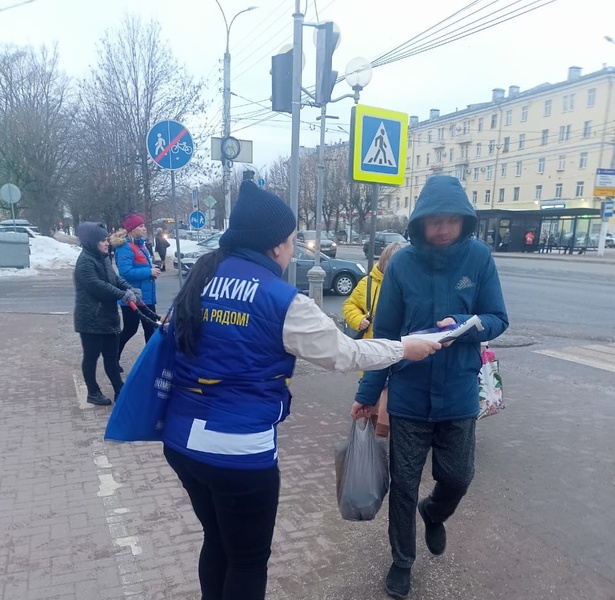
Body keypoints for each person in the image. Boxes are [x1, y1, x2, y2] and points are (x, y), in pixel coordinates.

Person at [161, 181, 442, 600]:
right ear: (276, 246)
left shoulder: (202, 278)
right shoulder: (281, 300)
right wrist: (405, 347)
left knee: (217, 540)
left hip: (181, 441)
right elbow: (343, 354)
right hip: (238, 452)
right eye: (292, 240)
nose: (293, 248)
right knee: (248, 559)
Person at [351, 175, 509, 600]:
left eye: (451, 220)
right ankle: (402, 561)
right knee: (403, 485)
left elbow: (497, 317)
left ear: (463, 222)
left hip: (458, 393)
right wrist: (367, 396)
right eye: (434, 220)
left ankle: (434, 512)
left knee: (458, 476)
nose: (442, 228)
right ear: (420, 223)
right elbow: (383, 337)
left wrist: (466, 326)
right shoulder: (402, 265)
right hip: (409, 396)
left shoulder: (478, 259)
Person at [342, 241, 405, 437]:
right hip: (375, 348)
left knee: (391, 393)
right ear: (386, 261)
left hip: (403, 350)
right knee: (376, 393)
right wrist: (359, 319)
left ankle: (383, 433)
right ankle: (376, 434)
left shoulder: (411, 284)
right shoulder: (368, 283)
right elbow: (349, 305)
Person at [73, 222, 139, 405]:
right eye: (102, 240)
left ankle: (120, 389)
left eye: (106, 239)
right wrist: (123, 296)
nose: (106, 243)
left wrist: (129, 289)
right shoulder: (85, 262)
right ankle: (93, 392)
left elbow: (114, 279)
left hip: (108, 317)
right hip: (91, 319)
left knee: (111, 357)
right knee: (91, 357)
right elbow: (98, 287)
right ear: (91, 241)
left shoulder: (102, 257)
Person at [110, 213, 161, 369]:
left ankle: (151, 363)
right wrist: (149, 272)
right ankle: (113, 359)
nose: (144, 228)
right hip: (132, 297)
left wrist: (152, 270)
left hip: (146, 297)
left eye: (144, 225)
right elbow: (125, 273)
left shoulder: (141, 245)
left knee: (151, 329)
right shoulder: (125, 247)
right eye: (140, 226)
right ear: (132, 229)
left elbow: (141, 266)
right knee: (130, 330)